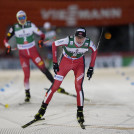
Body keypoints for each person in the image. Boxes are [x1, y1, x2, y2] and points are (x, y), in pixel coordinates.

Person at [34, 27, 97, 125]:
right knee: (55, 86)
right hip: (65, 62)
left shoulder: (88, 42)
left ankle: (80, 112)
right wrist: (55, 63)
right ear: (74, 36)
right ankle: (42, 109)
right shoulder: (69, 40)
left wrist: (91, 68)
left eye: (82, 38)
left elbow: (95, 50)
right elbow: (54, 44)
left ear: (85, 38)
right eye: (78, 37)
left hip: (79, 63)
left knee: (78, 86)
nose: (79, 40)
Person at [3, 10, 64, 102]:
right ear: (17, 19)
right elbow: (5, 40)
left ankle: (56, 86)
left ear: (26, 17)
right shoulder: (14, 27)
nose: (22, 19)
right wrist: (7, 46)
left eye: (23, 17)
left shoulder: (30, 25)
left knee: (44, 69)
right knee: (26, 74)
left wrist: (40, 40)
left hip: (33, 52)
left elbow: (42, 34)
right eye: (20, 18)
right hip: (23, 54)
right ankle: (27, 95)